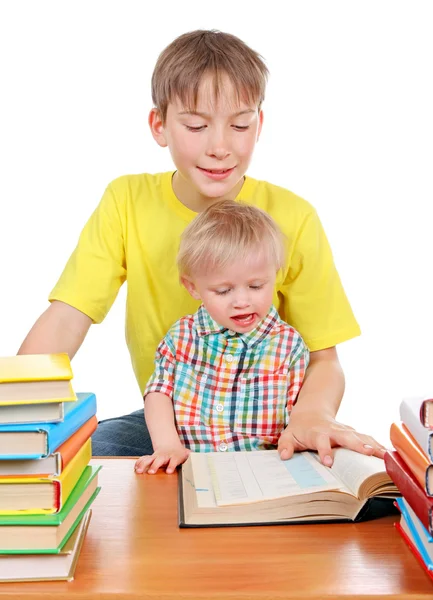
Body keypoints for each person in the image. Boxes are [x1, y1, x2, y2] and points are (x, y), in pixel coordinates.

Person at [17, 29, 385, 465]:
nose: (220, 147)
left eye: (240, 124)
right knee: (67, 457)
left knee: (363, 488)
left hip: (273, 424)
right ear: (160, 126)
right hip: (172, 422)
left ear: (259, 125)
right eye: (195, 125)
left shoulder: (294, 216)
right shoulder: (127, 200)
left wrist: (311, 415)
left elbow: (325, 357)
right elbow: (68, 316)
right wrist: (17, 406)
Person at [135, 200, 310, 474]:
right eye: (223, 291)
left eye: (256, 286)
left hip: (263, 473)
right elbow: (159, 392)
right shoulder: (181, 337)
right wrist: (167, 446)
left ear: (274, 276)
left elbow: (299, 414)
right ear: (192, 287)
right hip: (191, 468)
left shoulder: (288, 345)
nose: (242, 301)